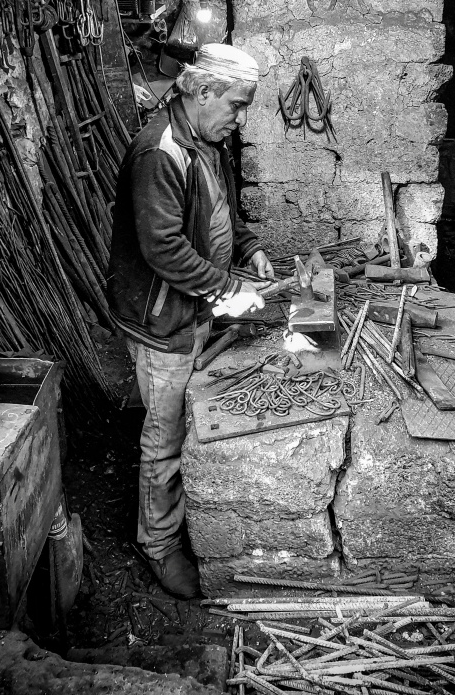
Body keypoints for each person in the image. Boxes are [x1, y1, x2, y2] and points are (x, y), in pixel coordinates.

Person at [107, 42, 274, 599]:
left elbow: (221, 209)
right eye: (236, 103)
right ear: (201, 91)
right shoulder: (161, 152)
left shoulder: (206, 139)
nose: (240, 116)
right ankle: (156, 545)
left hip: (192, 304)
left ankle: (189, 514)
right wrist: (231, 290)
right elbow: (164, 249)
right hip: (161, 318)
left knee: (181, 410)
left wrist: (247, 248)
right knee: (164, 434)